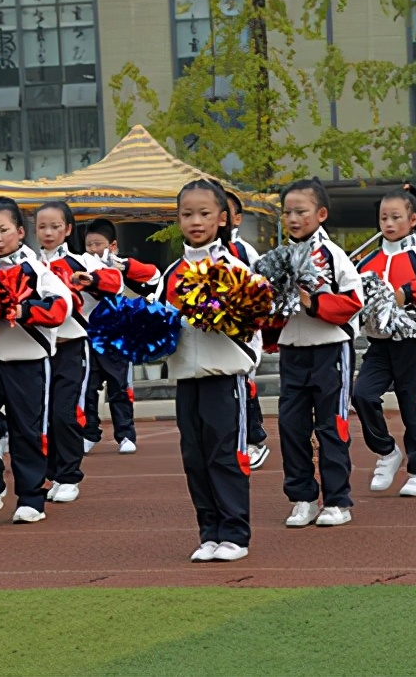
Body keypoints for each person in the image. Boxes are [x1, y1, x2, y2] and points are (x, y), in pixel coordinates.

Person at [155, 179, 261, 562]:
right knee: (194, 457)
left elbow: (254, 321)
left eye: (204, 213)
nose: (195, 221)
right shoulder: (171, 273)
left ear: (222, 218)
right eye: (187, 214)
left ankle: (235, 533)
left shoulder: (235, 268)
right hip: (186, 379)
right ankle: (209, 532)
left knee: (225, 455)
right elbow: (159, 325)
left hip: (225, 378)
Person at [0, 197, 71, 524]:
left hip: (30, 363)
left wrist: (24, 311)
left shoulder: (37, 269)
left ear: (20, 232)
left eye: (3, 230)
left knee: (27, 432)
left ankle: (30, 499)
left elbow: (60, 309)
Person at [352, 186, 416, 497]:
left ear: (412, 220)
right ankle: (387, 450)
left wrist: (407, 293)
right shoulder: (367, 261)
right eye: (384, 217)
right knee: (362, 395)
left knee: (415, 406)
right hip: (379, 345)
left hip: (413, 343)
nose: (389, 223)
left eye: (396, 217)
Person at [277, 179, 364, 528]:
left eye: (301, 211)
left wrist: (310, 301)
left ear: (321, 214)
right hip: (292, 351)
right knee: (290, 426)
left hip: (331, 352)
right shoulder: (278, 259)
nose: (293, 218)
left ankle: (338, 500)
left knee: (331, 426)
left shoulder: (333, 255)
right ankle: (303, 497)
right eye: (287, 212)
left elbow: (353, 302)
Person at [36, 201, 127, 502]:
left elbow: (115, 282)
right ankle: (48, 474)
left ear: (68, 229)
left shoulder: (81, 261)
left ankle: (69, 475)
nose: (48, 232)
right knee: (40, 415)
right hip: (36, 352)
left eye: (55, 226)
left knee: (65, 413)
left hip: (72, 347)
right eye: (42, 226)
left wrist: (92, 281)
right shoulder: (28, 264)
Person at [81, 218, 161, 455]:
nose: (93, 249)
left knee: (119, 388)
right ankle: (89, 433)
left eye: (98, 244)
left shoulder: (122, 267)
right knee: (88, 389)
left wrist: (123, 266)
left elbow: (154, 277)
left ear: (112, 245)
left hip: (117, 339)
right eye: (89, 245)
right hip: (88, 337)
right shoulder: (80, 264)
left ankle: (125, 434)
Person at [225, 190, 270, 470]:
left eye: (224, 210)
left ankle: (254, 439)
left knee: (244, 385)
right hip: (214, 334)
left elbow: (260, 290)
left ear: (237, 218)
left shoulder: (244, 251)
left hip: (243, 333)